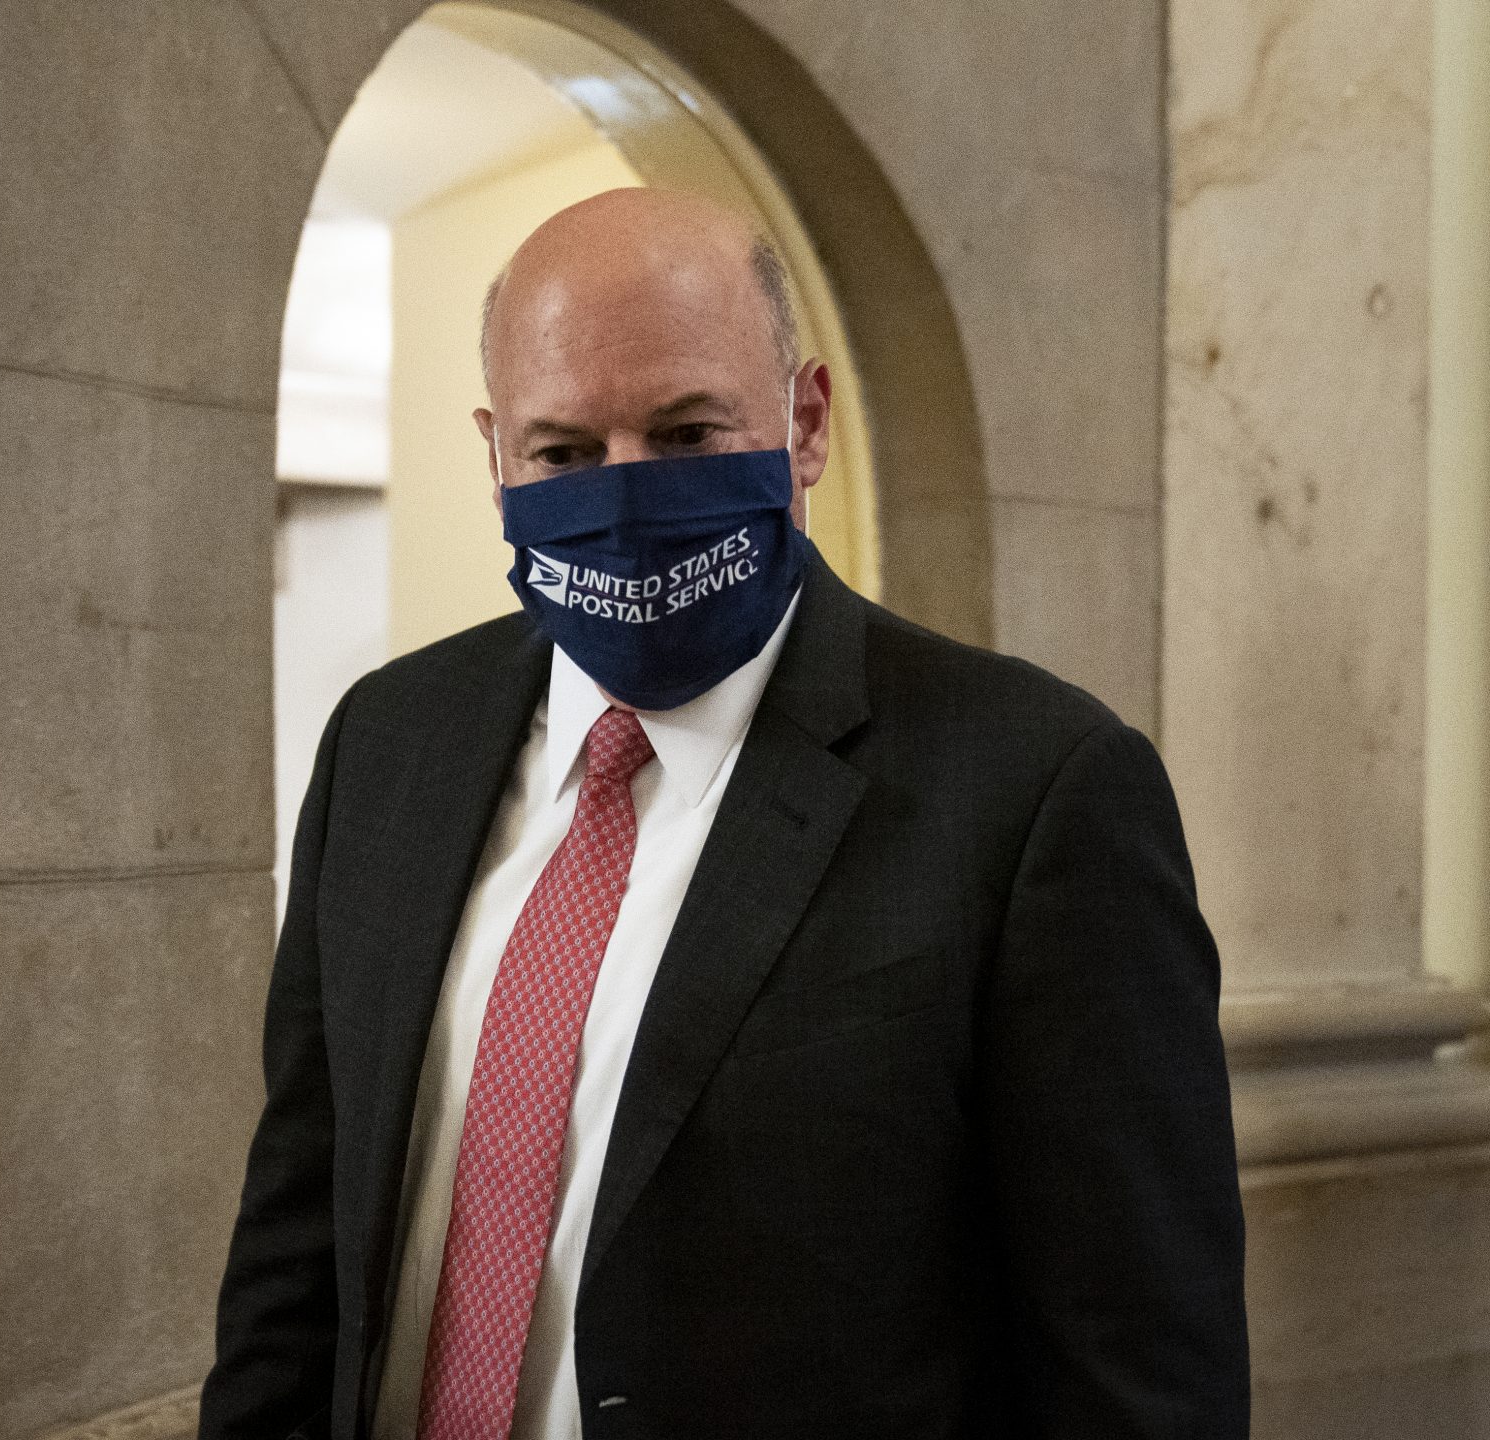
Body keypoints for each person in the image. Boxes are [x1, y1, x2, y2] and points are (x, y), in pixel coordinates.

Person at [198, 188, 1248, 1439]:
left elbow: (1134, 1364)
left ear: (804, 423)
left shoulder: (1036, 791)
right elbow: (296, 1245)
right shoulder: (388, 743)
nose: (625, 499)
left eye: (689, 434)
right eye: (564, 455)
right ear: (495, 457)